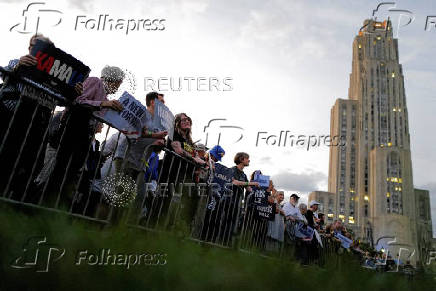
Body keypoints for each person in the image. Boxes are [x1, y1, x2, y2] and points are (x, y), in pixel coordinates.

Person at [0, 34, 82, 199]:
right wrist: (18, 67)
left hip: (36, 122)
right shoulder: (18, 62)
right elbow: (5, 73)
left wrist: (74, 92)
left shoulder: (54, 77)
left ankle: (13, 202)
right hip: (9, 117)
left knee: (29, 164)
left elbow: (60, 101)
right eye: (32, 46)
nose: (33, 49)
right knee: (4, 157)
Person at [42, 66, 124, 207]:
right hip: (73, 129)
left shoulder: (104, 95)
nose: (117, 87)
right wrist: (104, 104)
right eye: (118, 83)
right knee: (61, 168)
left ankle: (55, 206)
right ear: (112, 79)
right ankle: (44, 201)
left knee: (71, 172)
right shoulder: (95, 81)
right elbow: (79, 100)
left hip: (84, 135)